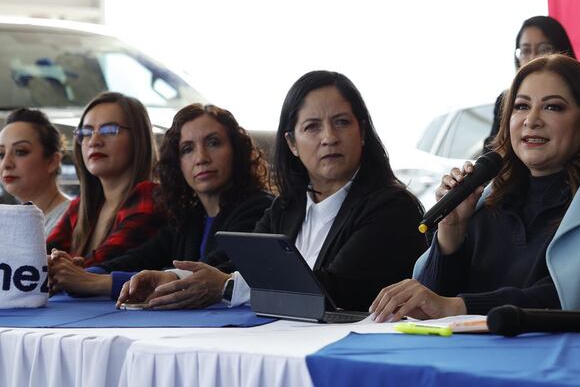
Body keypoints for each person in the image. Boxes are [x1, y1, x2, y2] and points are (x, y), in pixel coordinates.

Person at [370, 54, 580, 324]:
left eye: (552, 107)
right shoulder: (488, 200)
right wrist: (451, 234)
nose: (531, 120)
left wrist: (460, 306)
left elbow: (566, 300)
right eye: (521, 106)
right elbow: (431, 308)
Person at [117, 71, 425, 311]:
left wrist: (224, 287)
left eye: (342, 122)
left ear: (362, 133)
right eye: (312, 127)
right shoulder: (287, 207)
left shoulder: (392, 207)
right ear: (292, 144)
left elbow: (336, 289)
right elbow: (236, 268)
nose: (329, 137)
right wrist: (173, 280)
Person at [47, 104, 273, 299]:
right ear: (177, 163)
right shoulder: (190, 217)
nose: (201, 158)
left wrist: (92, 282)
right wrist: (84, 272)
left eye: (213, 143)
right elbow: (139, 257)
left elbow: (210, 273)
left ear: (237, 151)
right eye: (187, 149)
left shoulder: (260, 208)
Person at [46, 92, 163, 268]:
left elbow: (102, 267)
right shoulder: (81, 206)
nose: (94, 141)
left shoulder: (150, 197)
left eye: (109, 131)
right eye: (85, 132)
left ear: (138, 138)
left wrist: (55, 269)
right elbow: (37, 259)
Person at [484, 16, 576, 151]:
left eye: (544, 50)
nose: (533, 58)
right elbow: (493, 148)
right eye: (521, 106)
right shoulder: (505, 99)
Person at [0, 108, 71, 235]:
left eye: (20, 151)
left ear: (52, 161)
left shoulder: (73, 220)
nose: (6, 163)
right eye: (1, 154)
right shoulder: (12, 223)